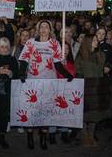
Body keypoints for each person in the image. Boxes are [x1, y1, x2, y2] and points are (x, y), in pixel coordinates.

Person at [18, 20, 73, 150]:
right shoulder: (31, 42)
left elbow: (58, 64)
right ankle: (30, 137)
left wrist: (67, 75)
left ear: (50, 30)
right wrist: (21, 73)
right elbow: (24, 59)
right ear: (38, 29)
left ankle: (43, 138)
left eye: (46, 27)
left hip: (49, 82)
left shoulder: (54, 43)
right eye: (41, 27)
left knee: (46, 111)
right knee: (31, 111)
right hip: (32, 81)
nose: (43, 29)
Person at [75, 36, 107, 146]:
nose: (96, 42)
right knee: (84, 114)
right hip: (84, 87)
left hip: (97, 88)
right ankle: (84, 136)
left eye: (97, 40)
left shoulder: (101, 55)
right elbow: (78, 72)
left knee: (95, 114)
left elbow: (102, 72)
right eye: (93, 40)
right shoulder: (81, 56)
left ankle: (91, 135)